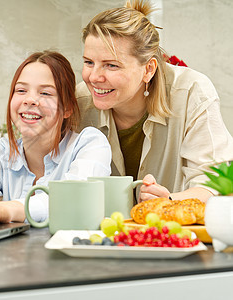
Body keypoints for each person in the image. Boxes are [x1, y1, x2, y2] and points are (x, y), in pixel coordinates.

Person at [76, 0, 233, 204]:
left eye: (111, 65)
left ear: (149, 69)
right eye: (89, 62)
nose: (94, 77)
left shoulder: (191, 92)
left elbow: (216, 183)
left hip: (173, 230)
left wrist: (169, 200)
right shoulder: (80, 101)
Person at [0, 51, 111, 227]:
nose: (30, 100)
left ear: (68, 107)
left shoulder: (90, 144)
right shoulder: (2, 151)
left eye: (45, 93)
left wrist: (9, 209)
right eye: (21, 90)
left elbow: (73, 198)